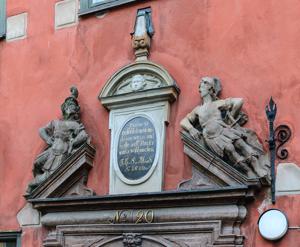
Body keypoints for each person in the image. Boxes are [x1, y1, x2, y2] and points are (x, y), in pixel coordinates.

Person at [180, 77, 268, 177]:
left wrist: (230, 116)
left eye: (202, 86)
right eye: (199, 87)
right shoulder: (197, 110)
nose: (200, 89)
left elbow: (239, 101)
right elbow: (183, 121)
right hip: (211, 137)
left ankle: (257, 168)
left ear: (210, 88)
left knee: (241, 144)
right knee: (230, 149)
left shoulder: (217, 103)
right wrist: (191, 129)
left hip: (223, 129)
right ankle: (248, 171)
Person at [26, 86, 89, 195]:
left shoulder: (75, 125)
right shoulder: (55, 123)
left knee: (50, 175)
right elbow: (41, 130)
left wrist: (73, 143)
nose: (71, 107)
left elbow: (83, 135)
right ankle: (35, 185)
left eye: (73, 106)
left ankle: (31, 186)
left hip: (62, 150)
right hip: (52, 148)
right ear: (64, 108)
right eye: (69, 105)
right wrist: (48, 139)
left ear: (76, 110)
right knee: (37, 163)